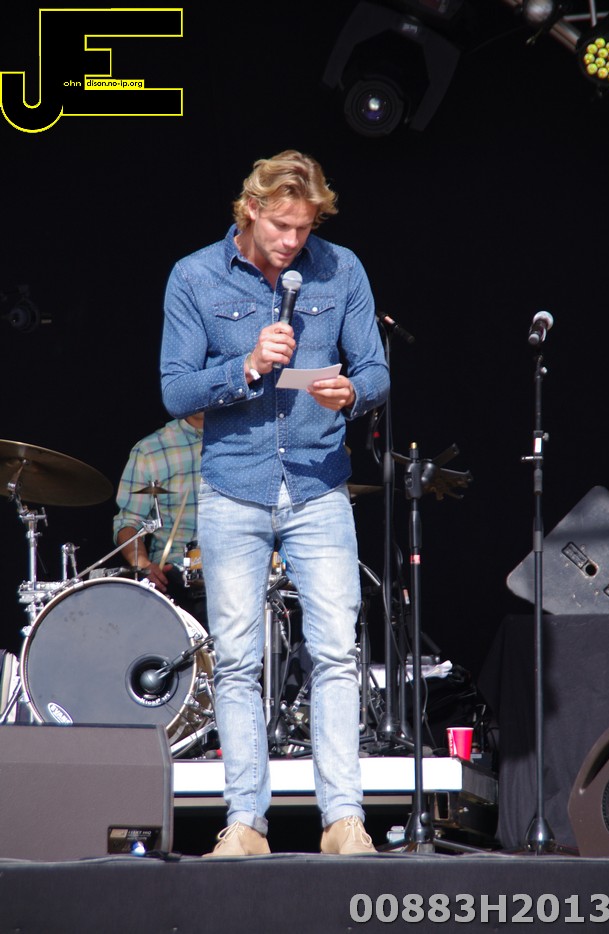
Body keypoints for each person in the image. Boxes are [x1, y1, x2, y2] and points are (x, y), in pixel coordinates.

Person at [160, 149, 390, 856]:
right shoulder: (194, 275)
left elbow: (375, 369)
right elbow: (175, 389)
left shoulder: (341, 268)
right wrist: (246, 366)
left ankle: (343, 819)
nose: (293, 241)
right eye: (281, 226)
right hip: (234, 486)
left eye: (305, 227)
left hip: (319, 485)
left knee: (337, 653)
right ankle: (245, 822)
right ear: (250, 209)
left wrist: (353, 392)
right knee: (235, 661)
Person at [112, 412, 207, 628]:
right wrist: (143, 563)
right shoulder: (150, 449)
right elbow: (129, 522)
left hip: (237, 569)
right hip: (175, 576)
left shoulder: (245, 439)